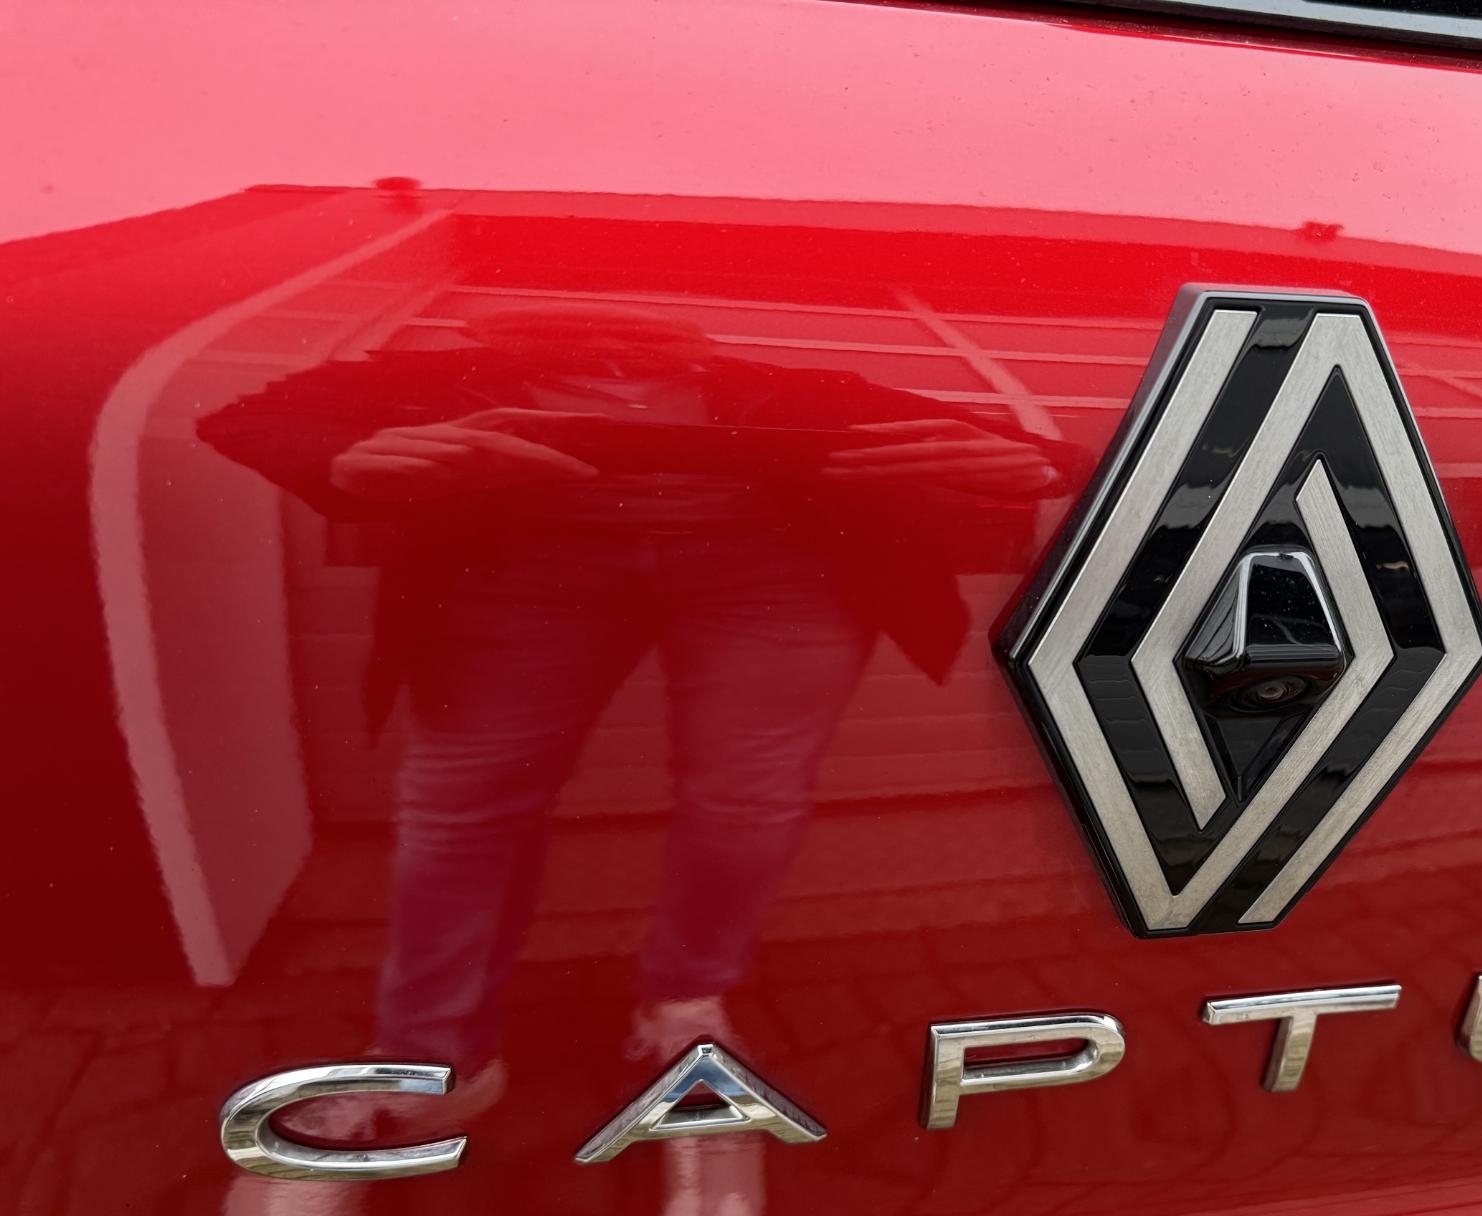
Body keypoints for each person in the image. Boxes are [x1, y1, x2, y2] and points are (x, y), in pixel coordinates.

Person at [200, 301, 1079, 1126]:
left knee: (748, 797)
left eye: (650, 322)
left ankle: (685, 1000)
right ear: (527, 320)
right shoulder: (434, 374)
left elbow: (1039, 450)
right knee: (462, 804)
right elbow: (239, 419)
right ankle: (432, 1049)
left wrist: (1032, 468)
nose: (626, 332)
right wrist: (340, 460)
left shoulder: (785, 382)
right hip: (523, 560)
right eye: (592, 316)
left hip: (770, 567)